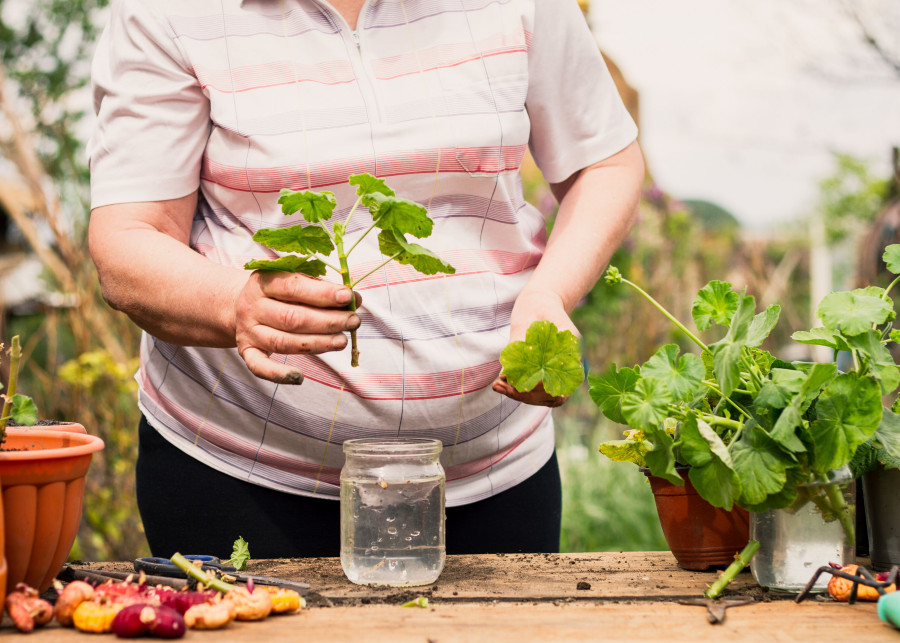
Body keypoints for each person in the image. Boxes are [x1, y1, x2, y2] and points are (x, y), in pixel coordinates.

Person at [87, 0, 644, 558]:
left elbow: (605, 162)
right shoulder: (166, 12)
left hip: (494, 475)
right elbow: (130, 238)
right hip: (243, 477)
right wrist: (234, 305)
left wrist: (550, 293)